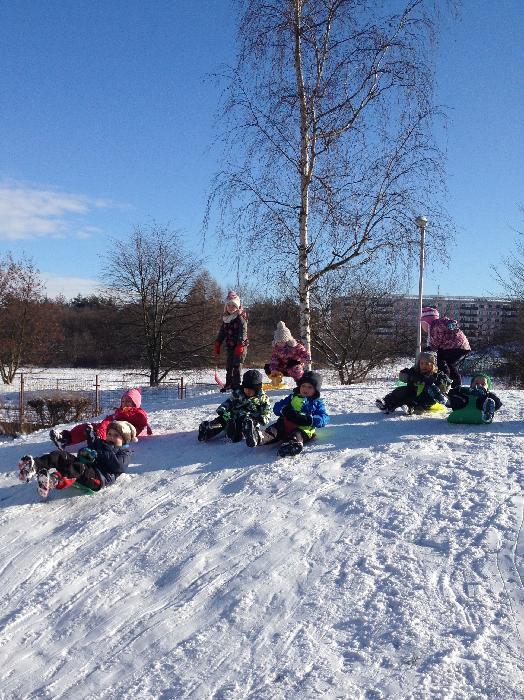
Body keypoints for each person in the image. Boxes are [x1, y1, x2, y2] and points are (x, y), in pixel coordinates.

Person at [18, 420, 135, 498]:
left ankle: (55, 480)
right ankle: (34, 466)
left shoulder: (125, 453)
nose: (111, 437)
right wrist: (90, 435)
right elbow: (93, 445)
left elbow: (119, 466)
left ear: (124, 440)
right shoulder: (103, 444)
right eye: (109, 434)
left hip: (98, 478)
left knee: (79, 467)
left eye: (116, 435)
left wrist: (102, 452)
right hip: (87, 467)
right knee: (61, 455)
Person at [243, 370, 329, 457]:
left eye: (310, 387)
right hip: (285, 423)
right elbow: (277, 406)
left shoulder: (317, 403)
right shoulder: (292, 397)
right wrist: (284, 410)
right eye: (303, 386)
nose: (305, 389)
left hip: (303, 428)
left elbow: (324, 417)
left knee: (297, 434)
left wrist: (310, 420)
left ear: (316, 390)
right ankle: (258, 437)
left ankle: (292, 445)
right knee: (274, 429)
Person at [50, 387, 152, 449]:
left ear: (135, 403)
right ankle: (66, 439)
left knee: (116, 427)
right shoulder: (119, 411)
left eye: (128, 401)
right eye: (123, 401)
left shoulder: (138, 413)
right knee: (86, 427)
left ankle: (98, 440)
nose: (125, 403)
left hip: (123, 432)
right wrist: (102, 428)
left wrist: (143, 423)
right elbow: (108, 421)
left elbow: (142, 421)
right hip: (110, 429)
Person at [198, 369, 271, 443]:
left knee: (242, 427)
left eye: (251, 390)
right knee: (222, 420)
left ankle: (246, 433)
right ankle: (207, 429)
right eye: (246, 389)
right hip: (232, 414)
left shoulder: (263, 398)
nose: (248, 391)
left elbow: (267, 411)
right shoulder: (238, 393)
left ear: (257, 389)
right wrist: (222, 409)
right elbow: (229, 402)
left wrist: (263, 418)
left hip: (249, 418)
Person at [376, 350, 452, 414]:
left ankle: (412, 407)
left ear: (432, 365)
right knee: (402, 390)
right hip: (413, 395)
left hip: (429, 400)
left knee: (430, 388)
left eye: (427, 364)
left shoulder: (437, 375)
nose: (424, 366)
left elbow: (444, 386)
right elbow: (402, 375)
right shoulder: (414, 371)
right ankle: (386, 404)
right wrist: (412, 377)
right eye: (422, 363)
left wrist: (433, 383)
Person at [420, 307, 471, 389]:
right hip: (462, 346)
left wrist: (428, 349)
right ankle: (456, 383)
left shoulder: (434, 326)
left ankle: (444, 378)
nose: (422, 327)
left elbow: (435, 343)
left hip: (453, 346)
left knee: (439, 359)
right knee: (449, 363)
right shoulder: (439, 324)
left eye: (422, 324)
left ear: (426, 321)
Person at [214, 290, 249, 392]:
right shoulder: (226, 319)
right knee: (229, 365)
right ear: (226, 307)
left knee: (237, 365)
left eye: (233, 306)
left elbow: (243, 332)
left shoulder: (240, 318)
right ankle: (228, 384)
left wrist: (240, 344)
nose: (231, 308)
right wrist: (218, 343)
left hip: (240, 346)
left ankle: (236, 385)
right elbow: (222, 332)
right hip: (230, 346)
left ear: (237, 307)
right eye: (228, 306)